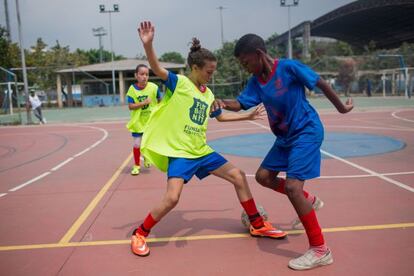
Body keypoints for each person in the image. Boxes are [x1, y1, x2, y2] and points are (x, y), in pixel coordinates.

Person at [131, 21, 287, 257]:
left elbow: (220, 117)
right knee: (172, 199)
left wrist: (247, 115)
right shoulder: (180, 83)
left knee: (238, 176)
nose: (211, 76)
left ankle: (257, 224)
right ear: (194, 68)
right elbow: (157, 68)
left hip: (201, 150)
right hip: (180, 152)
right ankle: (140, 233)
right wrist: (149, 45)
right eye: (209, 72)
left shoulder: (208, 94)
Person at [214, 34, 353, 270]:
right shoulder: (256, 81)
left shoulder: (288, 68)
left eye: (246, 63)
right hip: (285, 138)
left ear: (259, 55)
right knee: (263, 177)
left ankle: (320, 250)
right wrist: (222, 103)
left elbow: (321, 83)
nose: (245, 69)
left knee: (292, 187)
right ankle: (309, 200)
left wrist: (341, 108)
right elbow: (242, 102)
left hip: (306, 131)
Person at [126, 64, 162, 175]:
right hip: (138, 122)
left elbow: (160, 100)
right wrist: (143, 103)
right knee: (137, 144)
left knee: (148, 143)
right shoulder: (132, 90)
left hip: (151, 121)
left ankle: (146, 157)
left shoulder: (154, 87)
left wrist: (159, 110)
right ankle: (137, 165)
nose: (144, 77)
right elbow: (131, 106)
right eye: (142, 74)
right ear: (136, 75)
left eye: (146, 74)